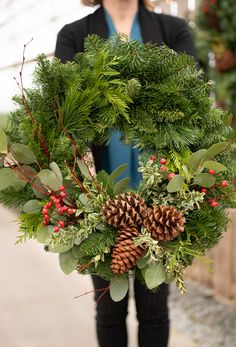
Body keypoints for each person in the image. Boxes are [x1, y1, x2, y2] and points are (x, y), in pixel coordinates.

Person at [55, 1, 197, 346]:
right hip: (99, 204)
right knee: (108, 311)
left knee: (154, 309)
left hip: (163, 203)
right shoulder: (74, 36)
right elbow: (64, 118)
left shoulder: (172, 31)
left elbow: (194, 104)